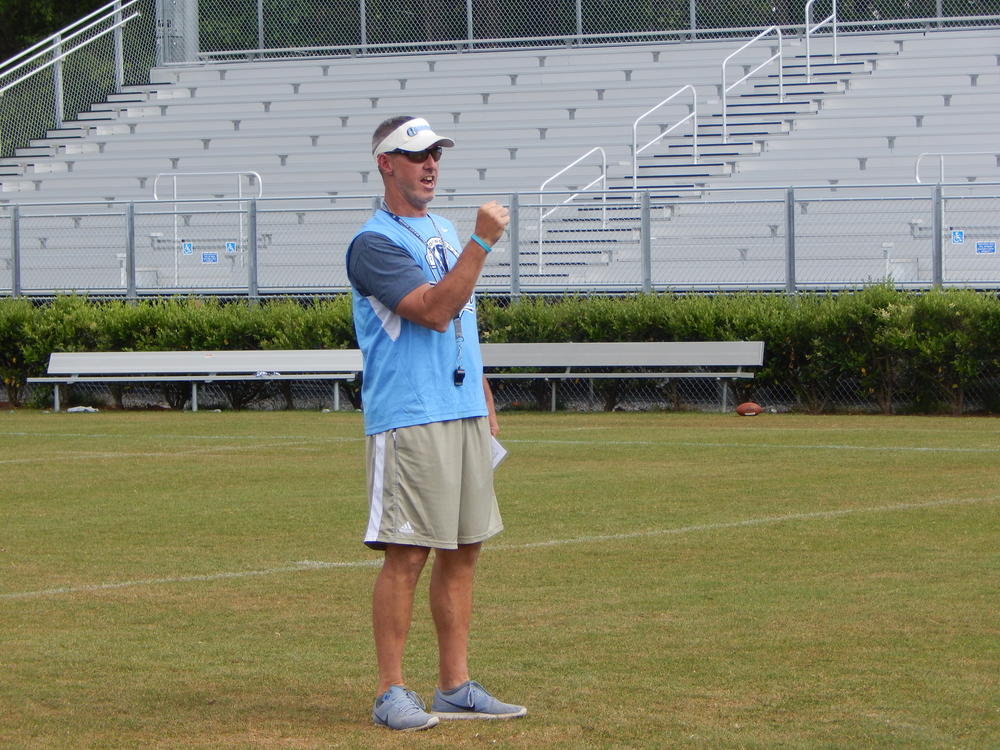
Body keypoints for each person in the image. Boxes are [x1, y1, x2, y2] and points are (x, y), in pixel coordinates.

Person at [346, 115, 527, 732]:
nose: (430, 165)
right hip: (411, 415)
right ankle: (391, 691)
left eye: (435, 155)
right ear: (385, 164)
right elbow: (433, 309)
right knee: (408, 552)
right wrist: (481, 243)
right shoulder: (373, 243)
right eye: (416, 154)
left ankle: (454, 684)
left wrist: (482, 393)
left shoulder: (445, 230)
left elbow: (465, 324)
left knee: (465, 548)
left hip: (461, 411)